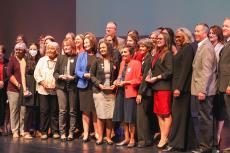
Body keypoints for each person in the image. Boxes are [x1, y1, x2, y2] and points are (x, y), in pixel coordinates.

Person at [163, 28, 196, 152]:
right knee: (179, 117)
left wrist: (179, 88)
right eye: (176, 37)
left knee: (179, 117)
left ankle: (176, 144)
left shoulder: (187, 49)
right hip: (178, 88)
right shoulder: (182, 49)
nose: (176, 39)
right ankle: (180, 144)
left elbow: (185, 70)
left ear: (186, 37)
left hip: (182, 90)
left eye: (179, 37)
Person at [143, 32, 173, 149]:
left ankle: (165, 137)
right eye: (157, 39)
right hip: (156, 87)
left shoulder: (168, 54)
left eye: (161, 39)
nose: (158, 40)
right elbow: (154, 69)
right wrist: (149, 76)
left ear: (166, 41)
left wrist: (157, 78)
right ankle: (163, 136)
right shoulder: (157, 53)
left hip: (164, 88)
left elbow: (169, 71)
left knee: (165, 113)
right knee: (159, 114)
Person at [191, 23, 217, 153]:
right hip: (200, 89)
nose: (195, 33)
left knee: (205, 119)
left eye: (198, 31)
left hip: (204, 90)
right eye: (195, 30)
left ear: (205, 33)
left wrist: (202, 90)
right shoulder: (202, 46)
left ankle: (206, 147)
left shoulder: (206, 47)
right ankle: (204, 145)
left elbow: (206, 71)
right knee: (202, 118)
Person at [113, 46, 142, 148]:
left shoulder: (136, 63)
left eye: (125, 52)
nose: (123, 54)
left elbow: (139, 79)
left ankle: (133, 139)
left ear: (131, 53)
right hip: (120, 92)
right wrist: (117, 81)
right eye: (122, 52)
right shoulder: (121, 63)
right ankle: (126, 138)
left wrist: (127, 82)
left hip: (130, 92)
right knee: (123, 117)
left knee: (130, 118)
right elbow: (120, 76)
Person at [90, 41, 118, 145]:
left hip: (111, 92)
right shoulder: (96, 61)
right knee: (101, 116)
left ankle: (109, 137)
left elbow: (118, 76)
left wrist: (115, 83)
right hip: (99, 91)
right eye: (100, 48)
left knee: (110, 116)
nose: (101, 49)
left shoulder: (113, 61)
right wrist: (99, 84)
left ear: (109, 48)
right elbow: (92, 75)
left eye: (104, 47)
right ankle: (100, 137)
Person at [34, 41, 60, 140]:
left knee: (54, 111)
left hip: (55, 90)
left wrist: (56, 84)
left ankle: (55, 131)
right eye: (48, 48)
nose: (49, 50)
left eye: (51, 48)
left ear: (56, 50)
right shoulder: (42, 60)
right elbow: (36, 73)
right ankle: (44, 131)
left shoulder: (59, 60)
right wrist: (43, 83)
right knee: (44, 111)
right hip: (43, 90)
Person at [53, 39, 77, 141]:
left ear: (72, 47)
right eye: (65, 46)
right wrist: (60, 76)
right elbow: (55, 73)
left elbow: (79, 73)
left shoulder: (77, 58)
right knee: (62, 111)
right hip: (61, 87)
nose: (66, 48)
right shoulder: (60, 58)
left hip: (72, 87)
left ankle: (71, 133)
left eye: (68, 46)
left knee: (72, 111)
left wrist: (74, 77)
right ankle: (62, 133)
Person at [75, 34, 97, 142]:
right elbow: (77, 71)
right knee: (85, 111)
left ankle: (97, 133)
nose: (85, 44)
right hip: (83, 85)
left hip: (95, 86)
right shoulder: (81, 55)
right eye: (85, 43)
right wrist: (84, 75)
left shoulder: (98, 56)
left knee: (95, 111)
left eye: (87, 42)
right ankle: (86, 134)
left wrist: (93, 76)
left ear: (92, 43)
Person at [135, 38, 154, 148]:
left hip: (145, 92)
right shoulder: (144, 59)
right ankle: (147, 140)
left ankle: (142, 140)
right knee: (144, 117)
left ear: (149, 48)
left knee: (141, 117)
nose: (141, 48)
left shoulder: (148, 60)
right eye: (140, 46)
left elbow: (145, 79)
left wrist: (140, 93)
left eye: (143, 46)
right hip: (144, 91)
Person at [7, 42, 27, 138]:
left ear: (24, 51)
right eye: (16, 49)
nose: (18, 51)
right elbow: (9, 74)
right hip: (13, 89)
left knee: (23, 110)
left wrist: (24, 87)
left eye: (20, 49)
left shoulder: (25, 60)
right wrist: (18, 85)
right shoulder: (12, 59)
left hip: (24, 90)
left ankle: (22, 130)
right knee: (14, 110)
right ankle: (14, 130)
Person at [209, 25, 225, 149]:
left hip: (218, 82)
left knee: (220, 111)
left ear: (218, 35)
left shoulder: (221, 48)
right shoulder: (209, 47)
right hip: (210, 83)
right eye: (210, 33)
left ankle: (219, 136)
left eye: (213, 33)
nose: (211, 35)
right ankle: (213, 136)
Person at [22, 43, 40, 139]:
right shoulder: (24, 60)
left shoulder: (39, 60)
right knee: (28, 110)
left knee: (36, 109)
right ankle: (26, 131)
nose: (33, 50)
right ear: (28, 50)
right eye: (31, 49)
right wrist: (25, 89)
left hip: (37, 86)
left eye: (35, 49)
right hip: (28, 86)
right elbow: (22, 76)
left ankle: (35, 131)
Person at [218, 17, 230, 150]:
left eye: (227, 26)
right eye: (223, 25)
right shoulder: (227, 43)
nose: (224, 28)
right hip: (223, 85)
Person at [0, 45, 9, 135]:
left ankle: (2, 126)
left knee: (2, 108)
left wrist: (3, 82)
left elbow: (10, 75)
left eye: (1, 51)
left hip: (4, 88)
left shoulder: (7, 62)